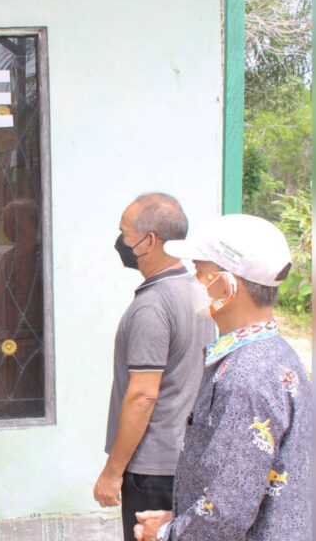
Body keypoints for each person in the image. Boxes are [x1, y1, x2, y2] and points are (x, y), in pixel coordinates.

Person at [134, 214, 311, 540]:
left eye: (200, 273)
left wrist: (166, 534)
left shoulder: (248, 377)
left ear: (227, 286)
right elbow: (236, 483)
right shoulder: (272, 355)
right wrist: (178, 519)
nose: (192, 282)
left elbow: (227, 513)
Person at [94, 193, 215, 540]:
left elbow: (143, 396)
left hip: (152, 469)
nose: (120, 242)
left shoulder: (153, 307)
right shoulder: (197, 291)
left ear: (148, 241)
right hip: (186, 458)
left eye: (125, 232)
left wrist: (112, 472)